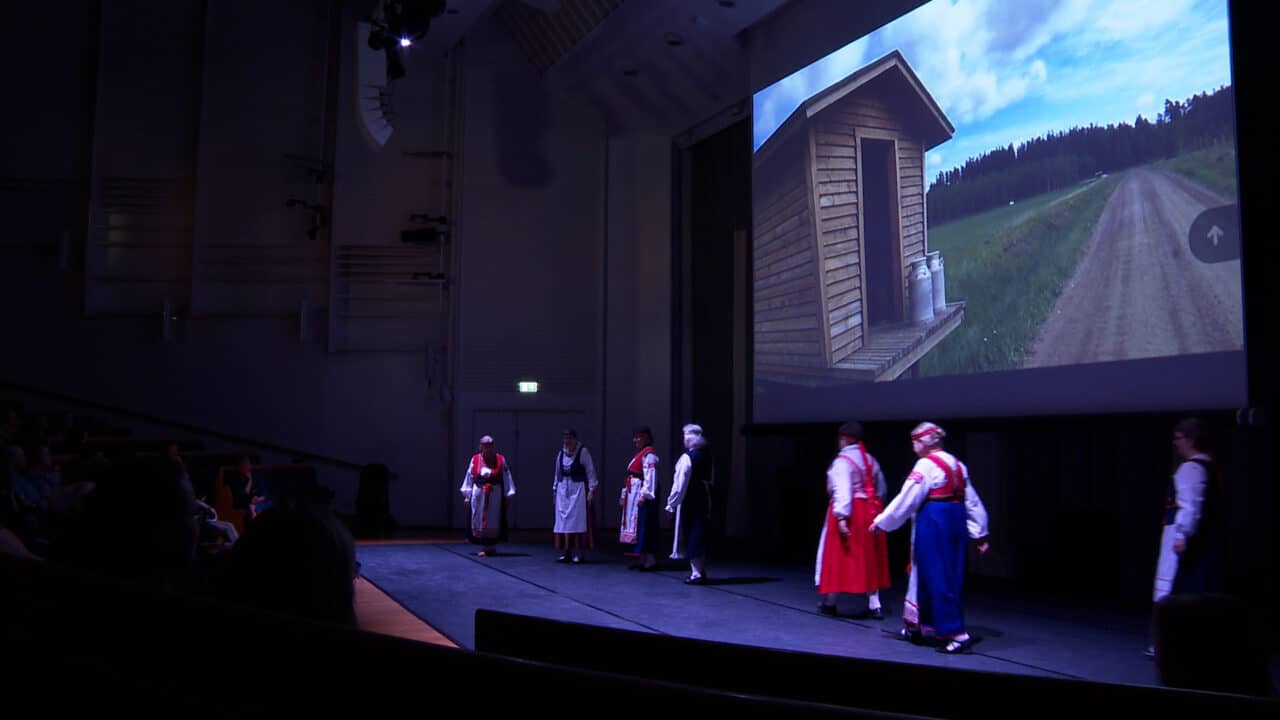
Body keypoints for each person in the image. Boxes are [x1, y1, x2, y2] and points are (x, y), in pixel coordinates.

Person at [870, 422, 989, 654]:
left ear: (924, 442)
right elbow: (972, 501)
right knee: (932, 574)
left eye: (915, 441)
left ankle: (957, 634)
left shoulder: (926, 464)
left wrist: (882, 522)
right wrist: (979, 532)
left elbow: (907, 498)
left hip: (935, 522)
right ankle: (914, 624)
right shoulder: (958, 464)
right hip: (955, 521)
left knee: (937, 576)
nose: (913, 446)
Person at [1147, 417, 1225, 657]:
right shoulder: (1208, 466)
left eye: (1179, 438)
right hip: (1198, 539)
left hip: (1183, 538)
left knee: (1177, 590)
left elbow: (1190, 506)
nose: (1176, 443)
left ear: (1191, 439)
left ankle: (1171, 644)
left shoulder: (1191, 469)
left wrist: (1182, 535)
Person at [815, 421, 891, 618]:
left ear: (844, 439)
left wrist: (842, 517)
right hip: (869, 512)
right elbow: (881, 488)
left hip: (850, 512)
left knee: (837, 557)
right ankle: (875, 604)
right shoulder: (870, 459)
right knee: (868, 557)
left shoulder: (842, 462)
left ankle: (830, 602)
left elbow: (843, 490)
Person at [666, 424, 713, 585]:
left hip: (690, 499)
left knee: (693, 533)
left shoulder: (688, 458)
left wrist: (671, 504)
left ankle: (696, 573)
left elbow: (680, 484)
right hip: (704, 498)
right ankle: (700, 570)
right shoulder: (706, 456)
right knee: (700, 532)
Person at [461, 435, 515, 557]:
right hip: (479, 494)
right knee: (479, 518)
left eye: (490, 446)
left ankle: (491, 546)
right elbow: (469, 476)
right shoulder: (475, 459)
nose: (488, 449)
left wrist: (508, 495)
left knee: (493, 519)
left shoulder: (500, 459)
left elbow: (506, 477)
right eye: (485, 446)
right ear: (481, 447)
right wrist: (467, 495)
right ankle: (484, 546)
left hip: (494, 495)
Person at [553, 428, 598, 564]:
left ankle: (580, 553)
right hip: (563, 491)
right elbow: (557, 474)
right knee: (564, 521)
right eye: (565, 438)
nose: (567, 441)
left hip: (578, 490)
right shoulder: (561, 454)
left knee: (578, 521)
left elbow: (590, 471)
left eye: (569, 438)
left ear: (574, 439)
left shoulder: (582, 452)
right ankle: (567, 551)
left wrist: (591, 490)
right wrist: (554, 490)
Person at [619, 426, 660, 570]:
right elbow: (630, 477)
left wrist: (644, 494)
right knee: (638, 526)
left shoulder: (649, 454)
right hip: (633, 493)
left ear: (646, 438)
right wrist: (624, 495)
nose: (635, 440)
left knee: (645, 526)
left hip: (641, 494)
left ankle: (650, 560)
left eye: (638, 437)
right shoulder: (640, 454)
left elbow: (650, 476)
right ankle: (642, 559)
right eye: (635, 437)